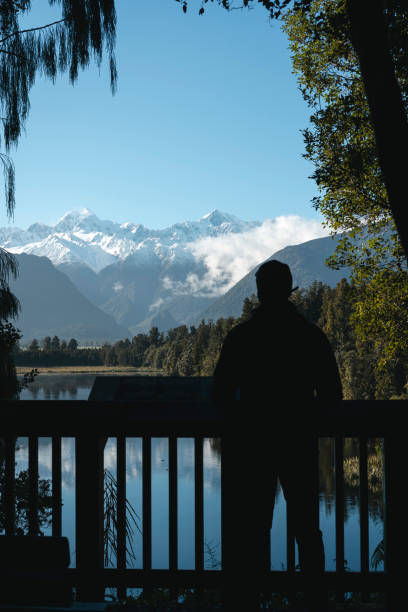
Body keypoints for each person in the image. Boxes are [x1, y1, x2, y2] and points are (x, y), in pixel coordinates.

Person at [212, 260, 342, 610]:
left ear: (259, 291)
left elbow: (219, 395)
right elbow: (332, 396)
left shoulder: (241, 337)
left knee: (253, 529)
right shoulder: (311, 336)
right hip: (299, 443)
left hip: (252, 447)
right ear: (289, 290)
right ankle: (314, 600)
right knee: (307, 528)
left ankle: (252, 599)